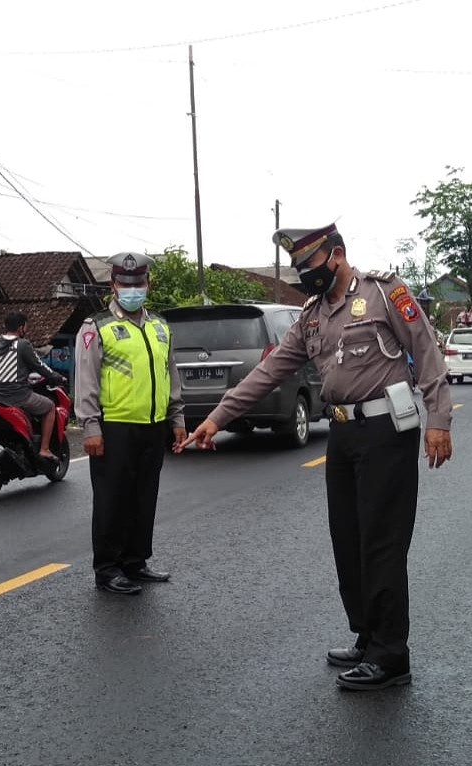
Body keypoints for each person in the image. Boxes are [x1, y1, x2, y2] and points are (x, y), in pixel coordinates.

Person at [183, 225, 454, 692]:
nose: (305, 277)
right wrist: (217, 418)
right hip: (343, 435)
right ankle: (367, 637)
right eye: (299, 270)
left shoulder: (384, 293)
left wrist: (439, 420)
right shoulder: (311, 315)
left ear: (337, 256)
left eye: (310, 267)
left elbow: (426, 352)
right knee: (347, 542)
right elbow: (269, 371)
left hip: (387, 431)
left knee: (381, 544)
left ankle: (392, 656)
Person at [72, 251, 186, 596]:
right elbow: (86, 381)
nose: (133, 289)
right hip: (114, 427)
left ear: (147, 283)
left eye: (138, 283)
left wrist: (177, 418)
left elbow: (171, 375)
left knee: (143, 496)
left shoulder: (160, 326)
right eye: (126, 283)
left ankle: (136, 562)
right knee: (112, 498)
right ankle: (107, 568)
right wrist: (90, 426)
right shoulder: (97, 327)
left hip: (153, 425)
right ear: (114, 285)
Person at [0, 311, 65, 463]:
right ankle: (44, 449)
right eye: (26, 327)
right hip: (19, 396)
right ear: (21, 328)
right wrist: (57, 377)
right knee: (49, 407)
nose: (26, 330)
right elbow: (40, 366)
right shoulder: (23, 345)